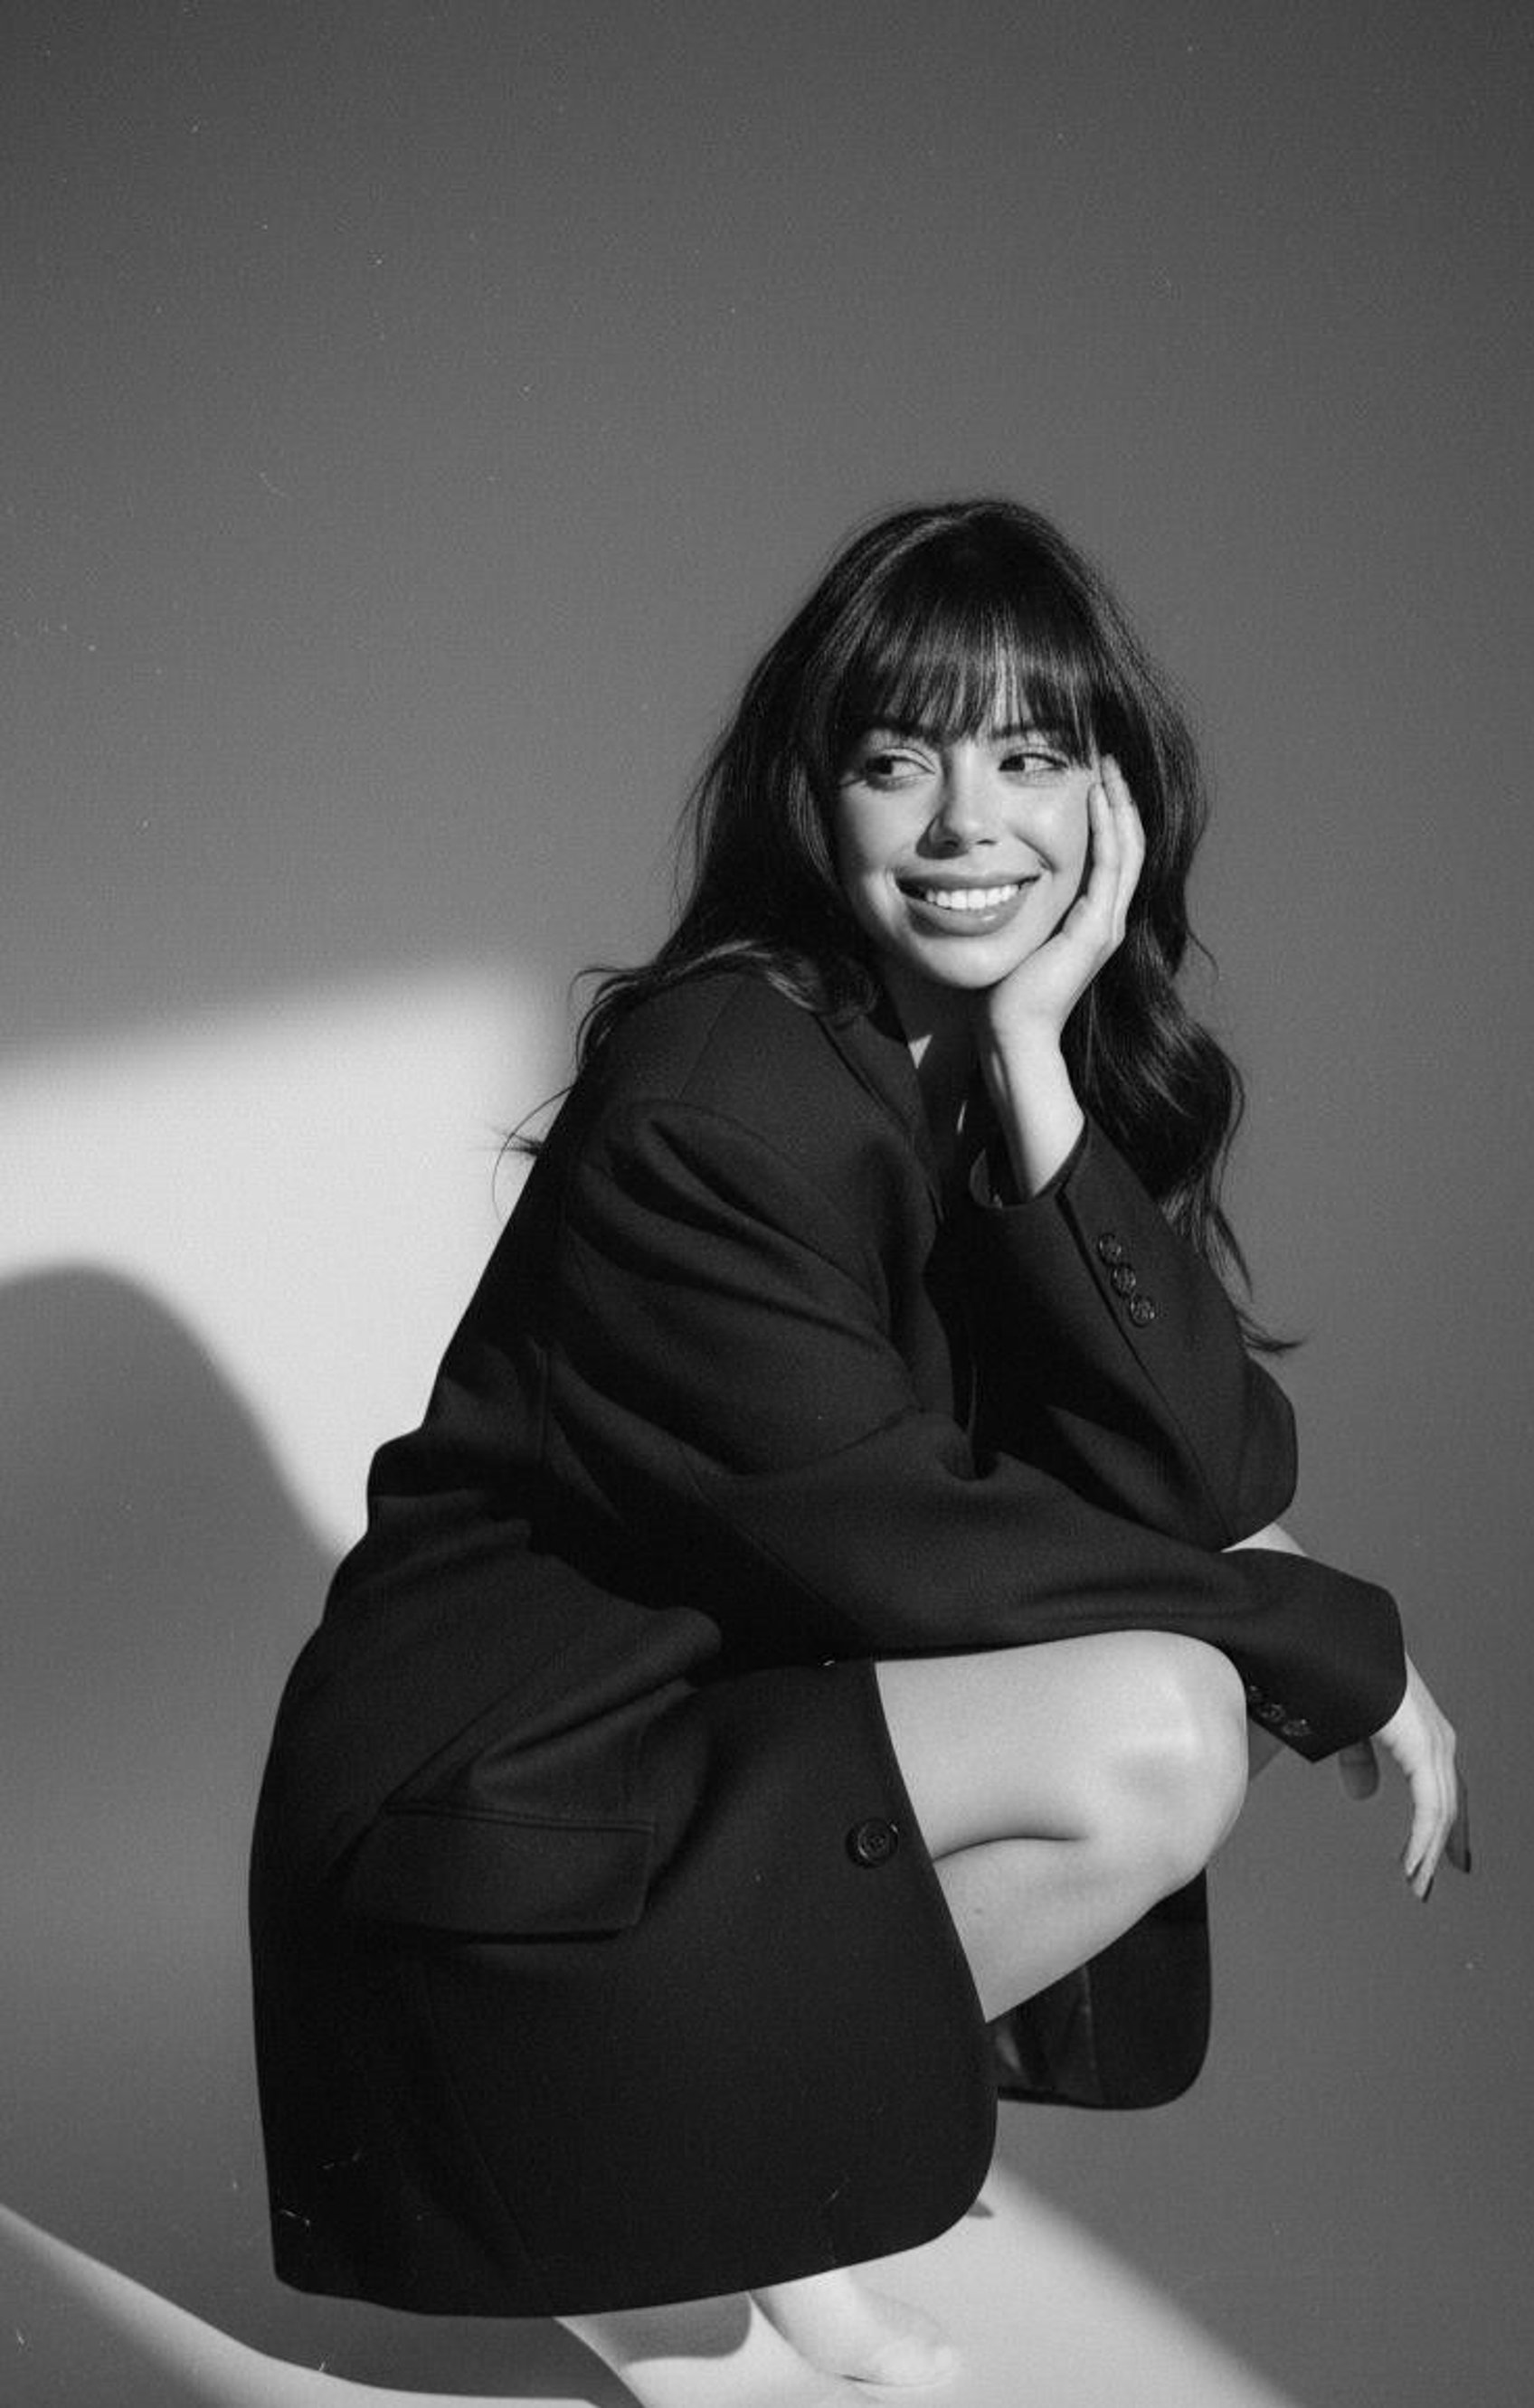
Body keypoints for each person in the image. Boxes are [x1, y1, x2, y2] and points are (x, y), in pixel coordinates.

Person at [249, 498, 1467, 2400]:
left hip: (682, 1755)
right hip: (505, 1815)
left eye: (1030, 760)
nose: (969, 825)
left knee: (1189, 1691)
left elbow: (1205, 1473)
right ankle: (663, 2192)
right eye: (900, 762)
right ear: (813, 801)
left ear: (1112, 800)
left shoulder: (982, 1054)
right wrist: (1323, 1638)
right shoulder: (717, 1091)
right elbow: (898, 1541)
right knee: (1162, 1720)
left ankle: (735, 2187)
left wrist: (1045, 1066)